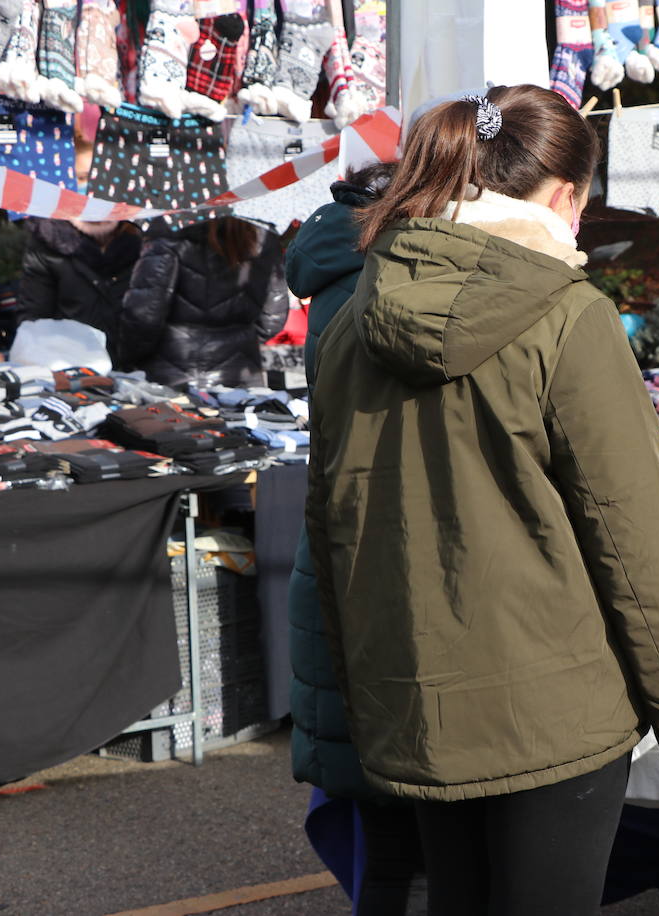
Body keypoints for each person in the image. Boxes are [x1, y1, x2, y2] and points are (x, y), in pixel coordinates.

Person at [305, 83, 659, 915]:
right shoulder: (570, 318)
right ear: (568, 196)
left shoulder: (354, 318)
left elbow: (333, 531)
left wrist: (369, 706)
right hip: (556, 719)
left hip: (419, 704)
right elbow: (637, 544)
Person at [285, 162, 427, 916]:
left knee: (383, 828)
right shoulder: (390, 284)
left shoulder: (336, 269)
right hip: (380, 553)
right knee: (414, 819)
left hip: (341, 546)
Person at [117, 216, 289, 388]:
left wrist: (125, 358)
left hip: (172, 375)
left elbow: (144, 318)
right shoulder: (263, 238)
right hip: (241, 375)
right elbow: (272, 319)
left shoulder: (168, 237)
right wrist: (239, 341)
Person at [16, 218, 142, 362]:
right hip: (70, 367)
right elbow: (34, 320)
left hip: (137, 368)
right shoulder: (47, 241)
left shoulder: (145, 239)